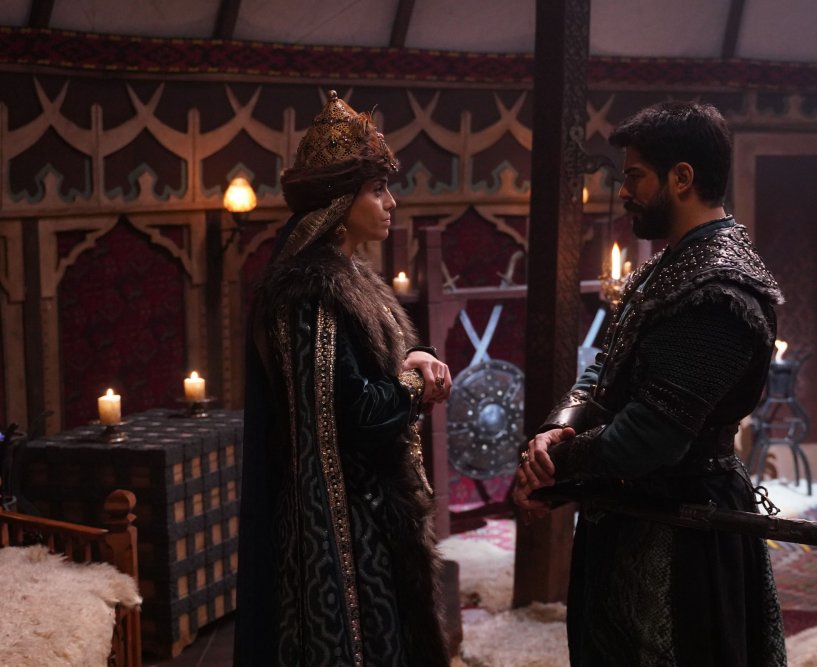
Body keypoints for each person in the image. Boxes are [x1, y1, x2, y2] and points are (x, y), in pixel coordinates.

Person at [513, 101, 788, 666]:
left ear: (681, 178)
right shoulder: (665, 268)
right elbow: (604, 369)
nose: (624, 191)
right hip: (629, 508)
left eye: (635, 176)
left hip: (686, 528)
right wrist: (556, 430)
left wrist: (554, 469)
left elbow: (651, 435)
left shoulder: (719, 292)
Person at [235, 91, 452, 667]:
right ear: (337, 201)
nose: (390, 202)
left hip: (377, 509)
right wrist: (415, 386)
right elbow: (352, 412)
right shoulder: (310, 291)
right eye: (377, 190)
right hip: (343, 523)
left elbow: (382, 358)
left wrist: (417, 355)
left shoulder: (351, 276)